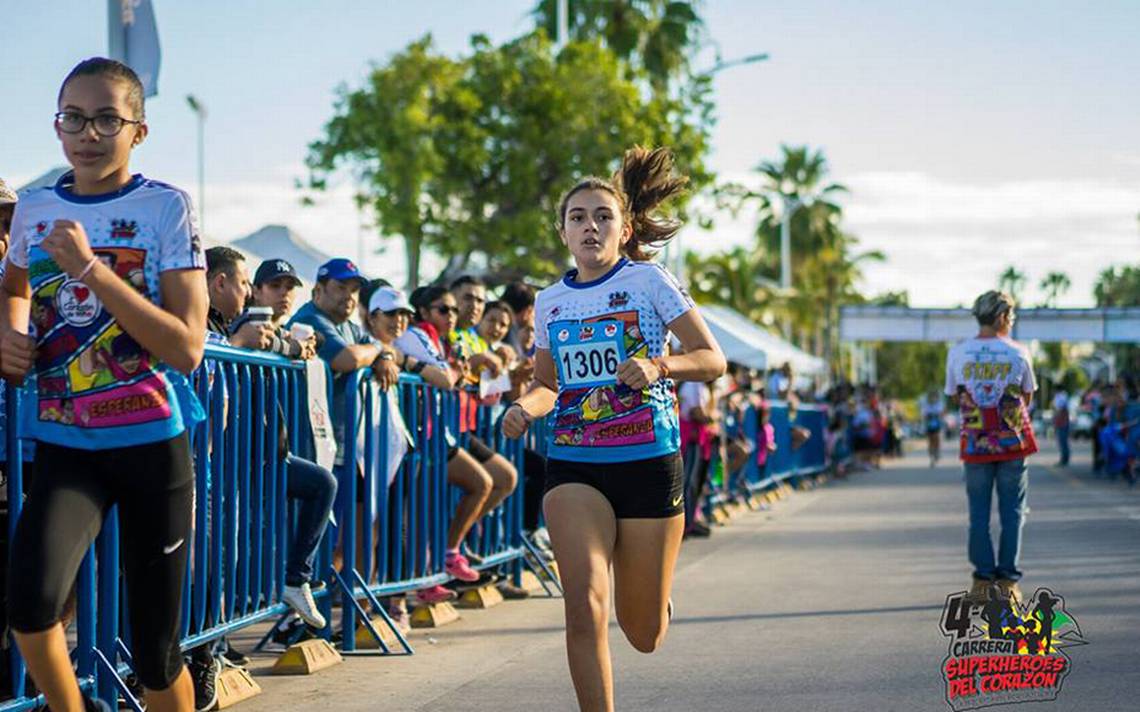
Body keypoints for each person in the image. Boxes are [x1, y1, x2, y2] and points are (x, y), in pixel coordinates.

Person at [1, 58, 203, 712]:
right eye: (74, 118)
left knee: (154, 653)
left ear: (138, 130)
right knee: (31, 612)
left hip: (152, 446)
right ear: (56, 126)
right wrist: (10, 334)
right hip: (65, 446)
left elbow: (188, 346)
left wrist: (90, 268)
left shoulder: (166, 207)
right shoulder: (35, 208)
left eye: (108, 119)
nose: (89, 133)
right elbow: (13, 287)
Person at [503, 146, 726, 712]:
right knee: (583, 605)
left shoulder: (651, 282)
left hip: (648, 460)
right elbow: (549, 385)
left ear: (624, 230)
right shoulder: (549, 303)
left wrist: (659, 365)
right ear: (562, 232)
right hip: (575, 462)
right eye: (578, 217)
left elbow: (711, 358)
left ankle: (653, 602)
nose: (590, 226)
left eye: (603, 216)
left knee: (643, 633)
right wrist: (526, 408)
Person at [945, 291, 1038, 606]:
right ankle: (1008, 582)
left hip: (975, 441)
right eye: (1011, 318)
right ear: (1001, 317)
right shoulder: (1018, 352)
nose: (1011, 323)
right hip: (1013, 441)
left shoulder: (958, 353)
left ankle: (982, 581)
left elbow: (954, 395)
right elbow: (1027, 397)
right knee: (1012, 513)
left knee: (979, 514)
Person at [921, 389, 945, 467]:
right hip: (929, 424)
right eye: (931, 397)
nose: (932, 398)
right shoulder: (926, 404)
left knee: (936, 438)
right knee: (930, 441)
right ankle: (931, 457)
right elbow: (924, 415)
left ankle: (937, 452)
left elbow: (941, 413)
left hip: (937, 423)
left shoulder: (939, 404)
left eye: (934, 397)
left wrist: (939, 415)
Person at [1052, 385, 1071, 467]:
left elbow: (1060, 409)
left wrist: (1056, 419)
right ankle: (1064, 459)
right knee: (1062, 441)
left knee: (1063, 441)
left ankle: (1064, 459)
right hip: (1063, 421)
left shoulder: (1061, 397)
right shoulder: (1063, 396)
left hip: (1062, 422)